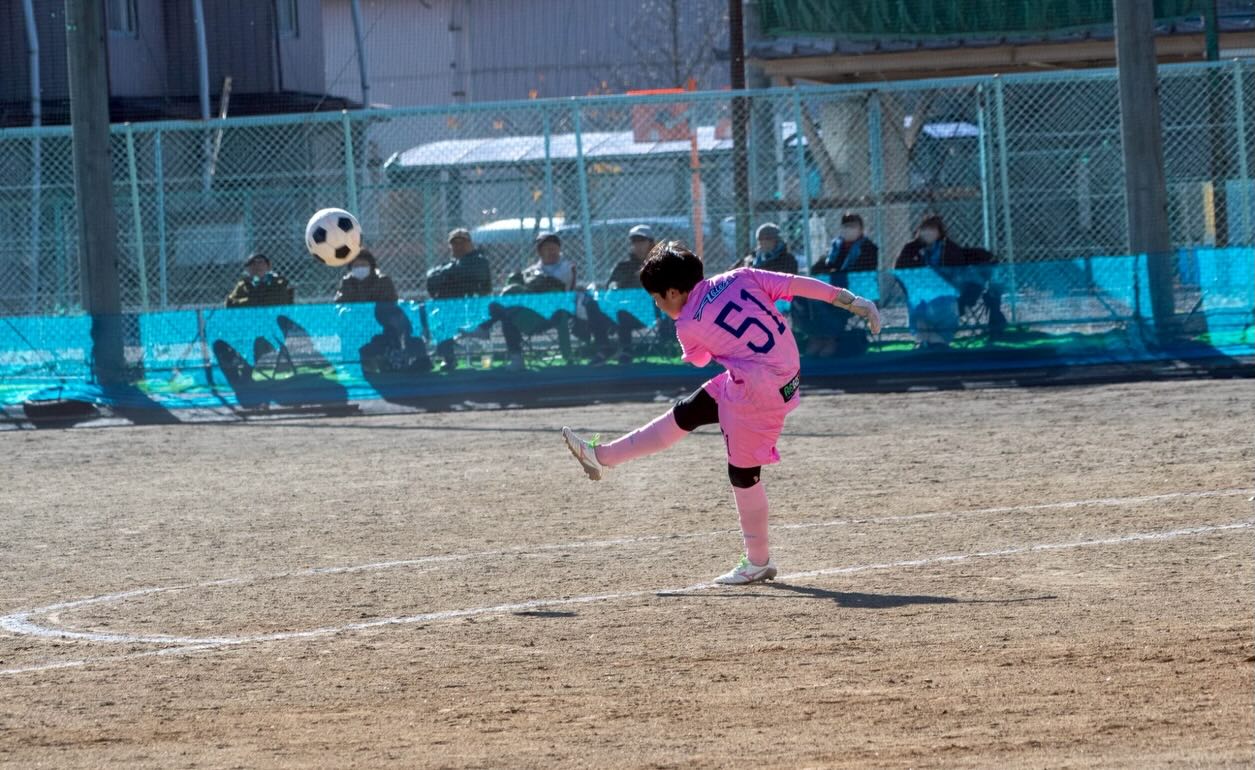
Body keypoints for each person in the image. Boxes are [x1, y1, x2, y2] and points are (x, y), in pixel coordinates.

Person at [561, 241, 881, 585]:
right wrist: (851, 301)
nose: (658, 304)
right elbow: (797, 284)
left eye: (657, 297)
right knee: (688, 412)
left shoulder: (686, 324)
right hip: (783, 373)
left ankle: (758, 561)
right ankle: (603, 456)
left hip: (755, 390)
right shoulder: (741, 276)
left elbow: (699, 359)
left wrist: (697, 328)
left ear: (672, 291)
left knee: (743, 474)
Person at [461, 232, 578, 371]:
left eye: (554, 248)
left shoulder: (567, 267)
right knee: (502, 311)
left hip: (553, 312)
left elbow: (552, 286)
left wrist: (530, 285)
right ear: (540, 252)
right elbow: (528, 285)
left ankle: (484, 329)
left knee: (508, 306)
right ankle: (516, 359)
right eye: (547, 248)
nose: (551, 252)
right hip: (528, 312)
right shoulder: (532, 270)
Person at [894, 214, 1006, 346]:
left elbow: (954, 278)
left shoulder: (950, 250)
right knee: (918, 312)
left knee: (939, 309)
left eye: (932, 230)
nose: (927, 233)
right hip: (921, 296)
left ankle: (934, 344)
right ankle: (936, 344)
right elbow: (900, 271)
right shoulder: (911, 248)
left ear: (939, 233)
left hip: (947, 297)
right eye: (924, 229)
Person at [795, 213, 879, 357]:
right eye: (846, 226)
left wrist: (836, 272)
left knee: (823, 303)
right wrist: (831, 270)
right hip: (832, 291)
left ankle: (830, 338)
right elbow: (819, 268)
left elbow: (861, 270)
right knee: (802, 299)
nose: (849, 229)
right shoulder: (835, 248)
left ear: (861, 229)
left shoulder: (869, 248)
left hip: (856, 293)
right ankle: (815, 336)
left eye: (853, 226)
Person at [583, 223, 657, 364]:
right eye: (635, 242)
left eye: (642, 241)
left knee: (622, 310)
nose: (638, 245)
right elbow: (610, 287)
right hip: (618, 308)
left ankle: (626, 350)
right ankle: (604, 348)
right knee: (592, 304)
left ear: (651, 243)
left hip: (647, 312)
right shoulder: (623, 266)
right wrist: (614, 287)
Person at [428, 228, 494, 371]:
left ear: (470, 244)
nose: (458, 246)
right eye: (454, 243)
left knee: (443, 311)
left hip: (475, 312)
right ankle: (448, 358)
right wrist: (448, 274)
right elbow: (431, 280)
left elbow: (467, 274)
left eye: (462, 242)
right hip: (452, 311)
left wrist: (447, 275)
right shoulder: (448, 265)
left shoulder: (479, 261)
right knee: (435, 313)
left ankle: (447, 352)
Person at [225, 253, 294, 307]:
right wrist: (250, 301)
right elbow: (230, 303)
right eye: (252, 264)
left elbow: (284, 301)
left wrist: (262, 298)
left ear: (268, 266)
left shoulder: (279, 283)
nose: (257, 266)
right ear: (248, 269)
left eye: (260, 262)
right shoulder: (243, 285)